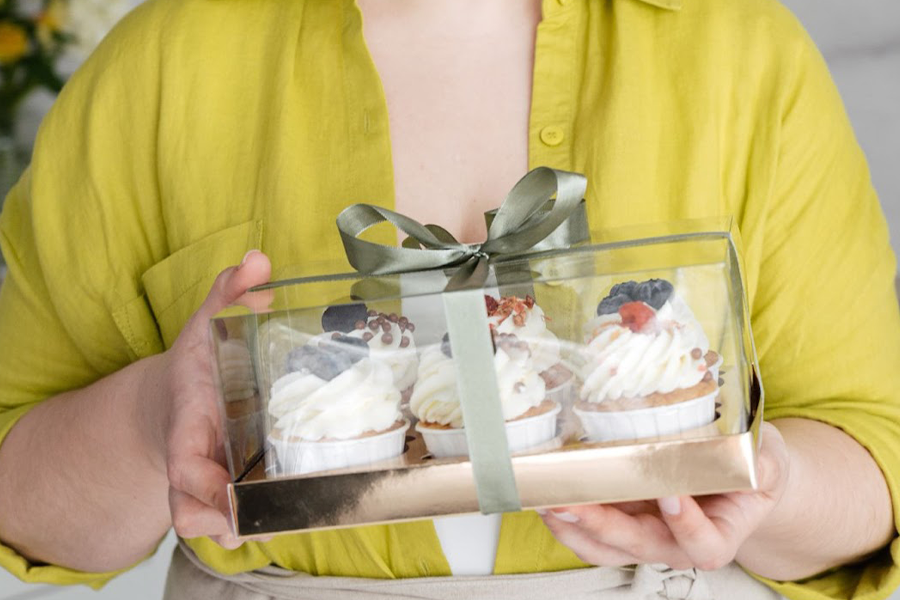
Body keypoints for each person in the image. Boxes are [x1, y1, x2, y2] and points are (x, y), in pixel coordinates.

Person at [0, 0, 898, 598]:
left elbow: (875, 469)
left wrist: (772, 487)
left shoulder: (743, 54)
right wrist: (151, 414)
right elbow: (21, 506)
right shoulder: (156, 70)